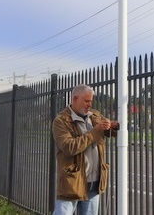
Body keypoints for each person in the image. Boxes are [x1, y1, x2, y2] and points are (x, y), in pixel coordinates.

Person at [52, 84, 119, 215]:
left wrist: (113, 126)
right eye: (86, 101)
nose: (89, 104)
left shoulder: (94, 116)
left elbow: (108, 133)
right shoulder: (61, 121)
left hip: (94, 183)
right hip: (72, 183)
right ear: (75, 99)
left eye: (91, 101)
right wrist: (96, 131)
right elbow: (69, 147)